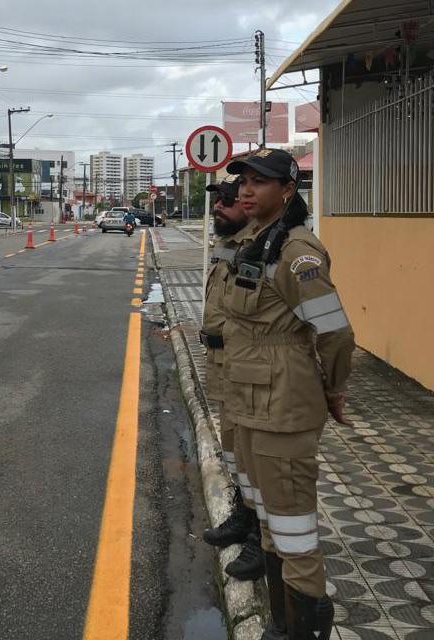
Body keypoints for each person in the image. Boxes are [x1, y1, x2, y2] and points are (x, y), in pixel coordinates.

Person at [222, 148, 354, 640]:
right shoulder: (257, 240)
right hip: (250, 400)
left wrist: (334, 388)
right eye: (243, 181)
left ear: (287, 190)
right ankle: (281, 625)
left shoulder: (298, 252)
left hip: (283, 404)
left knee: (293, 531)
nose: (246, 190)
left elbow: (334, 331)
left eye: (259, 181)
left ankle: (305, 626)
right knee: (271, 525)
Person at [200, 175, 266, 584]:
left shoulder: (263, 247)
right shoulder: (228, 244)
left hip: (251, 367)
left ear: (247, 204)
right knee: (233, 450)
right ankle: (244, 515)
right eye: (218, 200)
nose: (218, 207)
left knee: (255, 455)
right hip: (222, 362)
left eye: (226, 200)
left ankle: (262, 536)